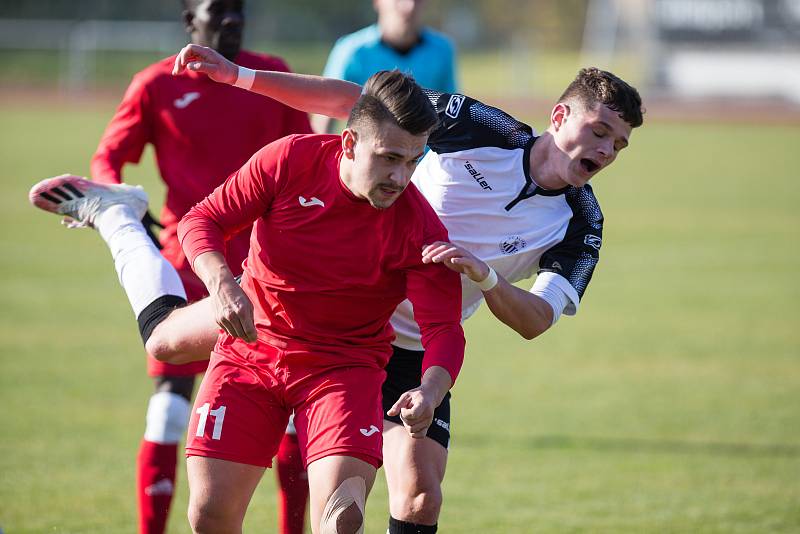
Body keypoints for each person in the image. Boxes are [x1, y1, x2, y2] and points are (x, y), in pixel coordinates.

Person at [168, 44, 644, 534]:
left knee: (418, 496)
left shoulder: (581, 221)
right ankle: (119, 220)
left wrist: (485, 276)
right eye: (600, 131)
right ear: (560, 115)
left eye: (619, 144)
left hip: (411, 344)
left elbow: (537, 319)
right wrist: (238, 76)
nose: (606, 150)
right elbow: (358, 104)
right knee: (165, 342)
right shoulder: (484, 129)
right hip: (320, 302)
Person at [30, 70, 466, 534]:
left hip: (342, 370)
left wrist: (431, 391)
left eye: (414, 162)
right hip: (251, 351)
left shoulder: (420, 228)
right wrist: (222, 285)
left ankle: (118, 216)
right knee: (209, 513)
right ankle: (120, 217)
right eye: (389, 159)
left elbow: (444, 330)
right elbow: (203, 220)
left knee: (341, 518)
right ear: (349, 143)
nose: (401, 177)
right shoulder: (290, 160)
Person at [88, 1, 312, 532]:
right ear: (191, 22)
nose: (232, 20)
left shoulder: (272, 76)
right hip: (188, 268)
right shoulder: (155, 84)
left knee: (292, 409)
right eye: (219, 10)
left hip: (270, 272)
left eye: (239, 10)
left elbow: (307, 153)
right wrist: (125, 205)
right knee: (169, 408)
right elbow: (106, 158)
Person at [316, 0, 457, 133]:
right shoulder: (350, 50)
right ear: (378, 2)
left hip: (425, 157)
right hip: (367, 156)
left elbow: (451, 112)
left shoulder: (442, 49)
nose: (409, 6)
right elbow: (324, 115)